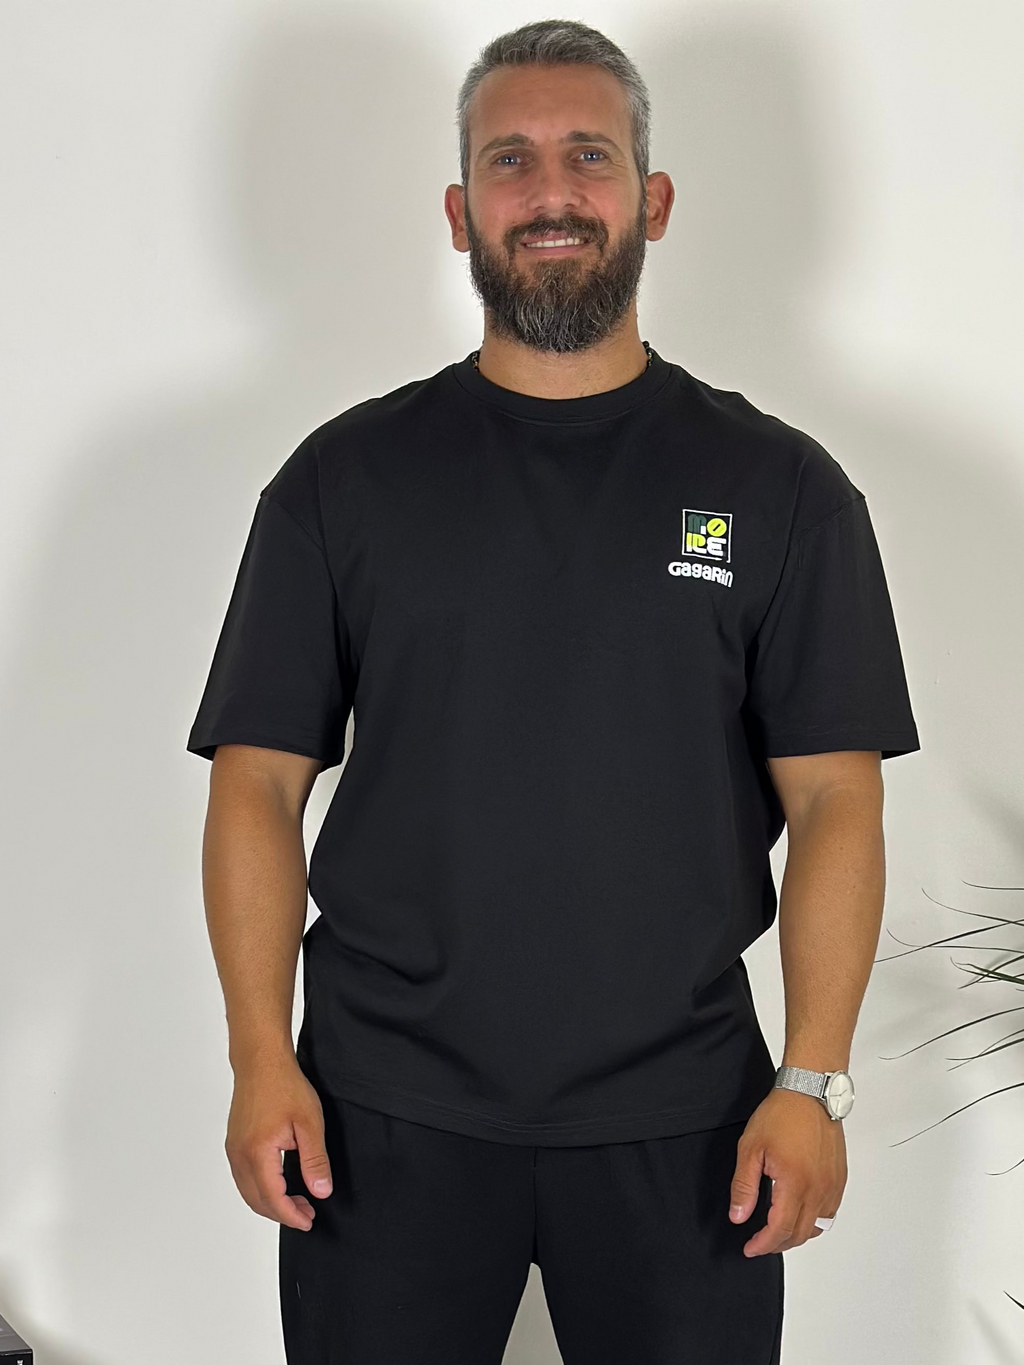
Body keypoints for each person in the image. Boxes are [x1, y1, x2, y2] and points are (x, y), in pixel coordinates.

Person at [186, 18, 920, 1364]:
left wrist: (811, 1083)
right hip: (379, 1114)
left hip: (690, 1121)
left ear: (652, 199)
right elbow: (259, 782)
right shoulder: (341, 484)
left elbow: (834, 805)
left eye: (589, 154)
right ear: (462, 214)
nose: (552, 191)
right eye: (511, 162)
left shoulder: (783, 491)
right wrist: (258, 1059)